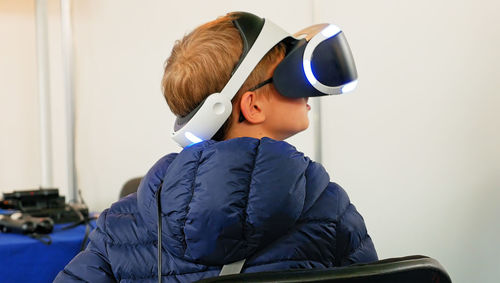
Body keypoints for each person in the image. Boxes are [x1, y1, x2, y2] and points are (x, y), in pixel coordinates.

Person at [55, 11, 377, 283]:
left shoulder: (119, 224)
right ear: (252, 106)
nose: (306, 90)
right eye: (289, 74)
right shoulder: (328, 209)